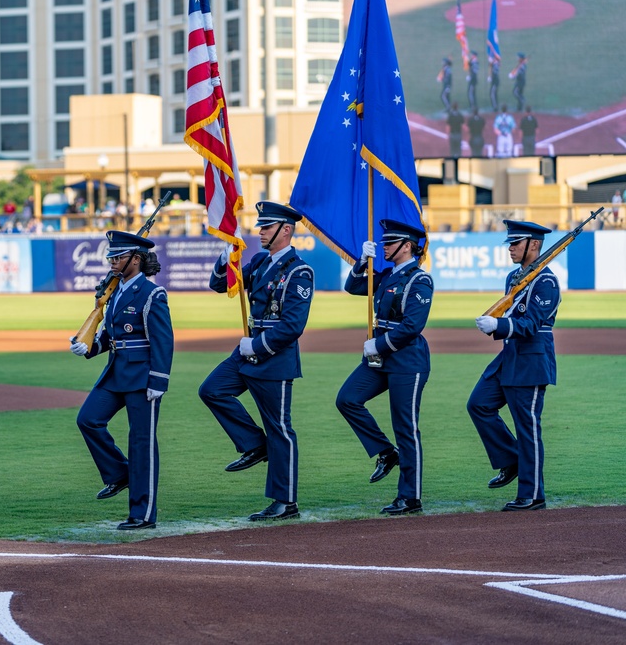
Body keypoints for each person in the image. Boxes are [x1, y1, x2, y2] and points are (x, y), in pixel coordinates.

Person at [198, 202, 314, 522]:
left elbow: (292, 326)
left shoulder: (299, 271)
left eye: (267, 227)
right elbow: (221, 285)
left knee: (279, 429)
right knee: (212, 390)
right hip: (247, 350)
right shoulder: (261, 262)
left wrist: (257, 346)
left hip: (273, 357)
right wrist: (226, 259)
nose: (260, 231)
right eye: (260, 226)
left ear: (285, 230)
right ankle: (254, 445)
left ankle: (285, 502)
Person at [70, 231, 173, 531]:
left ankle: (143, 514)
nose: (112, 261)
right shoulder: (114, 291)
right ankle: (120, 474)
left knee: (141, 443)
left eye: (118, 257)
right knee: (88, 419)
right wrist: (90, 347)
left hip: (142, 377)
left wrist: (158, 381)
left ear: (135, 259)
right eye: (111, 257)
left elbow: (163, 342)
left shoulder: (152, 294)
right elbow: (110, 335)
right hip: (116, 372)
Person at [335, 221, 433, 516]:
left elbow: (412, 326)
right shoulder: (389, 275)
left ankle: (410, 497)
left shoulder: (419, 280)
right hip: (380, 359)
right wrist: (360, 262)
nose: (384, 246)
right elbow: (353, 287)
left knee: (405, 427)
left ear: (407, 246)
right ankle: (386, 452)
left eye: (390, 243)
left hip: (407, 361)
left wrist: (379, 344)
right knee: (347, 399)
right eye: (384, 242)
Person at [468, 220, 560, 512]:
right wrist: (499, 324)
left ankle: (532, 495)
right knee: (478, 404)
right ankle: (511, 460)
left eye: (516, 243)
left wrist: (498, 325)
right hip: (510, 356)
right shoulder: (514, 277)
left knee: (527, 428)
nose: (510, 248)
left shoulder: (546, 282)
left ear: (534, 245)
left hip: (531, 360)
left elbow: (531, 324)